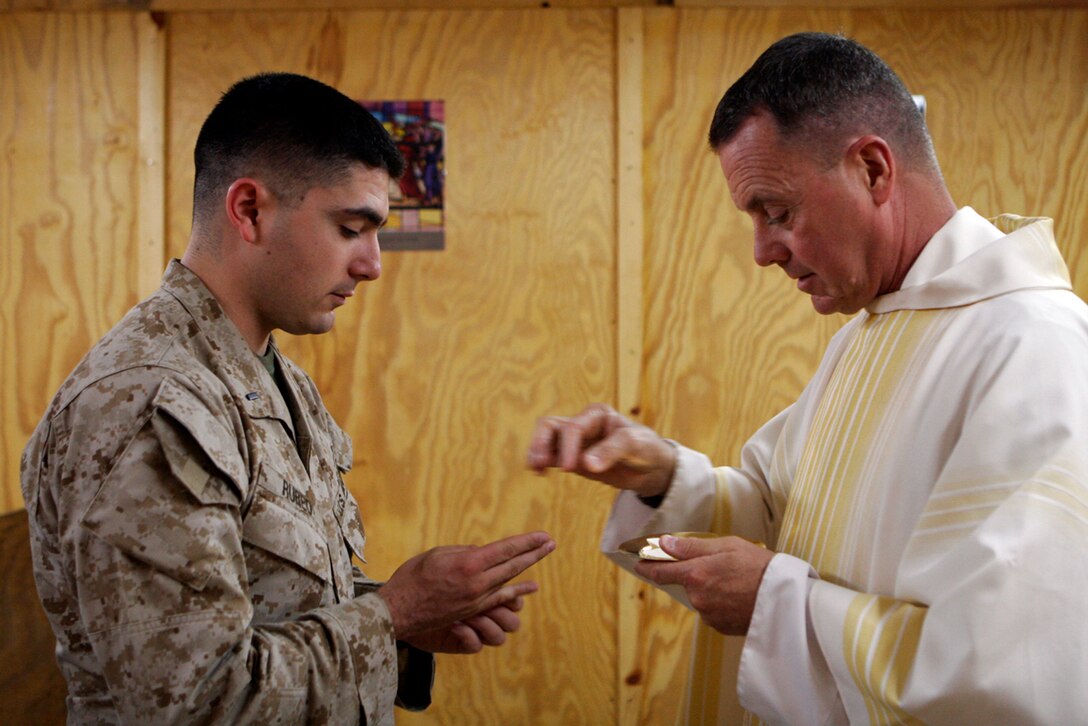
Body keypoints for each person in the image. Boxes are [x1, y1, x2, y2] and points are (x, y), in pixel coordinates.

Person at [527, 32, 1088, 725]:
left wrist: (773, 601)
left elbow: (1006, 674)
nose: (763, 251)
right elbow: (776, 512)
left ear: (874, 171)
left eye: (777, 212)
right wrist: (663, 476)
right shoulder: (866, 337)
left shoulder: (1033, 347)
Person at [21, 72, 555, 725]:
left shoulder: (270, 374)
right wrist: (393, 613)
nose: (373, 264)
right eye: (351, 227)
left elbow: (271, 601)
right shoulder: (150, 402)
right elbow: (196, 704)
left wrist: (401, 625)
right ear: (249, 210)